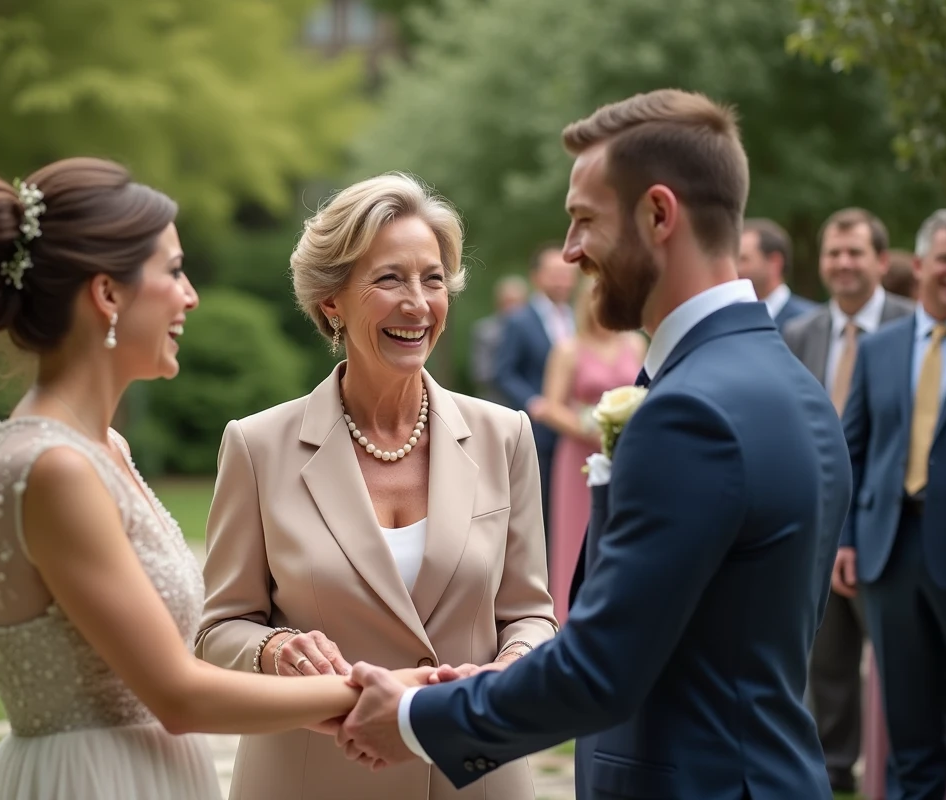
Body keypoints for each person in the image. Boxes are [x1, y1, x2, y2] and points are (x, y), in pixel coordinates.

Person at [335, 89, 852, 800]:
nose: (572, 251)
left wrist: (414, 717)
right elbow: (693, 639)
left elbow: (600, 672)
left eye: (585, 219)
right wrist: (501, 681)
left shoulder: (690, 412)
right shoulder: (792, 386)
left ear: (659, 215)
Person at [0, 157, 436, 800]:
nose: (190, 296)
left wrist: (332, 706)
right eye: (173, 271)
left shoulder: (104, 449)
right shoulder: (54, 467)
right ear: (108, 294)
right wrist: (383, 696)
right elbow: (178, 694)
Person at [195, 172, 558, 800]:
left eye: (433, 279)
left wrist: (508, 670)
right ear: (331, 300)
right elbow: (218, 629)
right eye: (390, 279)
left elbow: (530, 614)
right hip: (311, 780)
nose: (417, 303)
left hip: (474, 774)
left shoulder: (506, 435)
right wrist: (276, 648)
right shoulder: (257, 446)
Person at [838, 208, 946, 800]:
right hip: (889, 555)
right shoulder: (880, 348)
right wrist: (846, 538)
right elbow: (853, 450)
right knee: (909, 733)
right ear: (921, 264)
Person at [781, 208, 913, 793]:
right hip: (816, 520)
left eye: (855, 252)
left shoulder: (911, 324)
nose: (843, 263)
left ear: (881, 260)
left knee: (902, 661)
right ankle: (834, 771)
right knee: (826, 658)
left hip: (895, 522)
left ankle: (900, 767)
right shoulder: (799, 332)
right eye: (834, 253)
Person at [535, 277, 644, 624]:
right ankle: (572, 620)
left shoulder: (635, 343)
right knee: (578, 535)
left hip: (627, 455)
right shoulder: (568, 349)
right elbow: (550, 406)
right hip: (579, 460)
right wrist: (591, 428)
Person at [493, 243, 580, 545]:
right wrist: (533, 403)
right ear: (537, 277)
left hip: (577, 432)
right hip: (538, 435)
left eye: (567, 274)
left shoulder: (580, 319)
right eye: (555, 273)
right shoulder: (519, 320)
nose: (562, 281)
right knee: (542, 515)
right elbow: (503, 372)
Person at [738, 217, 817, 330]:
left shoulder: (811, 321)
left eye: (743, 259)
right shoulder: (733, 320)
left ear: (775, 262)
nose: (736, 268)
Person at [469, 275, 528, 404]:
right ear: (498, 303)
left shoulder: (532, 334)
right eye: (509, 302)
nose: (513, 308)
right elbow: (481, 373)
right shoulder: (485, 332)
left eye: (518, 303)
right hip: (495, 402)